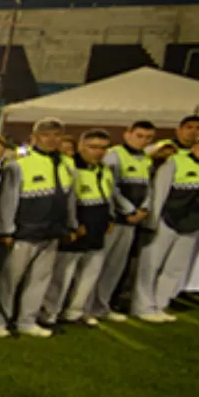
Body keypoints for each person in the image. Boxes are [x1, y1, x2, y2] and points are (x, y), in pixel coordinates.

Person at [0, 117, 77, 338]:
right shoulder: (19, 164)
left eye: (56, 135)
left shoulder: (67, 164)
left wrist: (70, 225)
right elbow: (7, 199)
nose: (51, 139)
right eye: (46, 134)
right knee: (9, 280)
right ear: (35, 137)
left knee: (40, 279)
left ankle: (27, 320)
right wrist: (5, 229)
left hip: (51, 232)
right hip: (23, 232)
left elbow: (70, 198)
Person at [41, 129, 121, 327]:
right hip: (78, 228)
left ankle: (75, 312)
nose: (99, 152)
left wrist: (109, 217)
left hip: (98, 227)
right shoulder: (71, 168)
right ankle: (50, 313)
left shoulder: (103, 170)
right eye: (94, 147)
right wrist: (73, 225)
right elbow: (68, 201)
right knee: (63, 274)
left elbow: (107, 195)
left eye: (103, 148)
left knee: (89, 273)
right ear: (82, 146)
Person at [132, 129, 199, 322]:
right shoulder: (176, 161)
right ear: (196, 145)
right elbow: (160, 192)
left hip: (193, 225)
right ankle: (142, 306)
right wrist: (153, 222)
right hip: (167, 221)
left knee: (175, 268)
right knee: (150, 265)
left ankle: (159, 304)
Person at [91, 120, 155, 321]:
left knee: (116, 266)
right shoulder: (114, 156)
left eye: (148, 138)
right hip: (115, 220)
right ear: (127, 134)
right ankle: (87, 306)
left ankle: (102, 305)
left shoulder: (145, 159)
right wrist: (128, 210)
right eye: (139, 135)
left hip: (131, 221)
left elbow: (149, 186)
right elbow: (111, 188)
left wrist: (144, 208)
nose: (143, 141)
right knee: (99, 264)